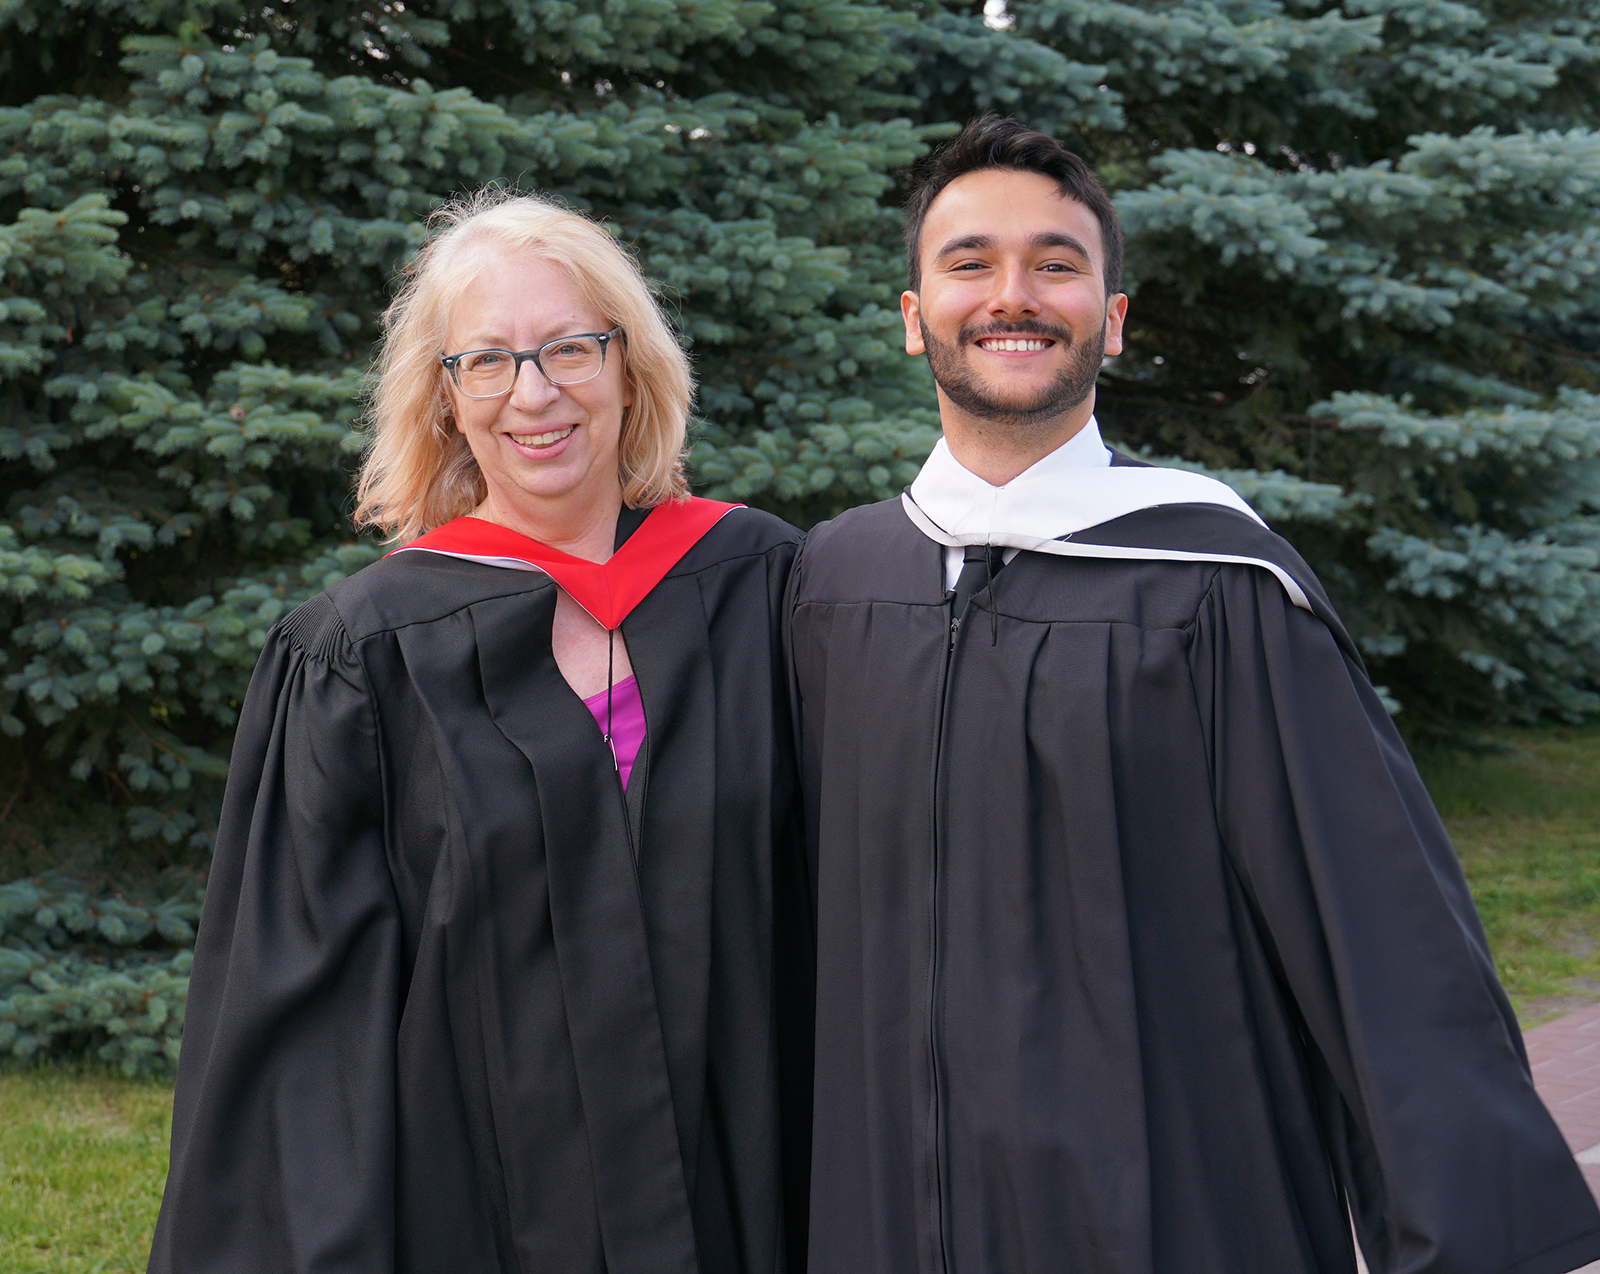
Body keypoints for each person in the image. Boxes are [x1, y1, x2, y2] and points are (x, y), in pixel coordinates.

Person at [787, 115, 1600, 1274]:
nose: (1011, 293)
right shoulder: (833, 581)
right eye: (968, 262)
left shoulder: (1216, 580)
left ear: (1110, 323)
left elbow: (1376, 925)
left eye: (1056, 264)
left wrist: (1473, 1231)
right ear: (913, 318)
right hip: (884, 1213)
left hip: (1171, 1210)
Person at [149, 190, 807, 1274]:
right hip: (478, 1211)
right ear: (444, 397)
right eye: (488, 361)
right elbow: (302, 1024)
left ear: (630, 364)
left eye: (569, 348)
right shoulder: (362, 655)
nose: (533, 393)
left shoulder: (754, 587)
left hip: (746, 1188)